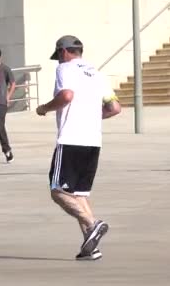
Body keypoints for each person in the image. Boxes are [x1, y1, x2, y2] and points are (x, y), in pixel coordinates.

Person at [36, 35, 121, 261]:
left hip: (71, 139)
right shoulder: (98, 74)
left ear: (64, 52)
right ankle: (90, 247)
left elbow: (66, 95)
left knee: (58, 192)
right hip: (93, 141)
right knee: (79, 195)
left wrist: (45, 108)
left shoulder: (65, 69)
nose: (58, 61)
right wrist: (90, 116)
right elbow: (114, 107)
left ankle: (94, 224)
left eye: (58, 57)